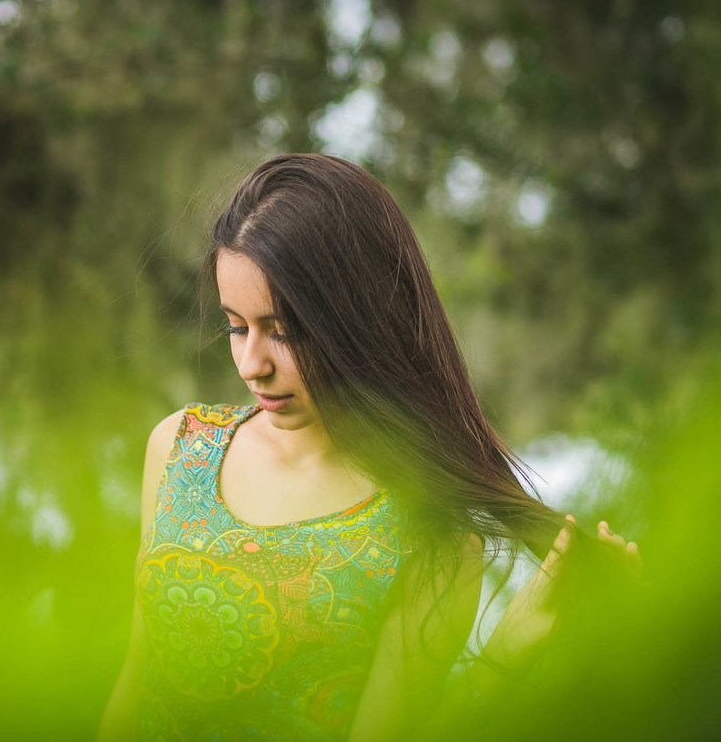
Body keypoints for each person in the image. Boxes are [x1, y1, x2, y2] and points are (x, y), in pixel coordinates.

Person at [97, 154, 640, 741]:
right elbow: (131, 688)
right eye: (236, 326)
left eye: (285, 332)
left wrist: (511, 646)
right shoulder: (181, 448)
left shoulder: (429, 532)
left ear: (358, 321)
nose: (252, 364)